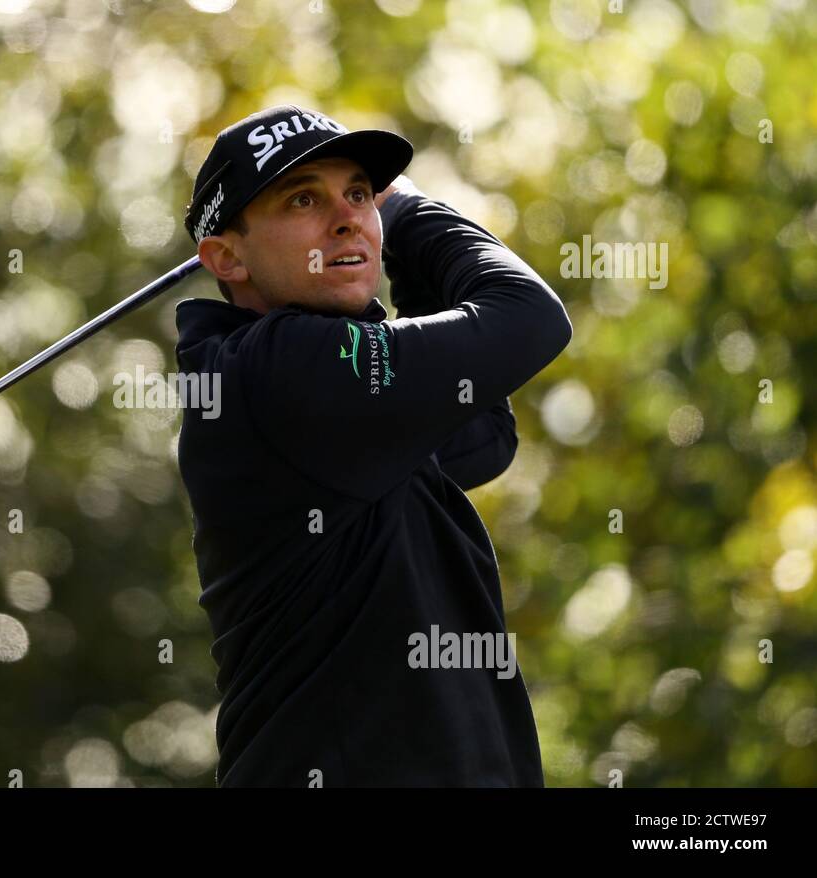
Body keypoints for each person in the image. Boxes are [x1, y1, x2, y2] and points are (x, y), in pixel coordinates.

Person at [174, 104, 573, 786]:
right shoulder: (279, 368)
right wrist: (412, 212)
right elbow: (527, 317)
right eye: (304, 198)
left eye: (359, 194)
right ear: (226, 256)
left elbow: (484, 436)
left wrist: (398, 250)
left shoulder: (318, 387)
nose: (346, 216)